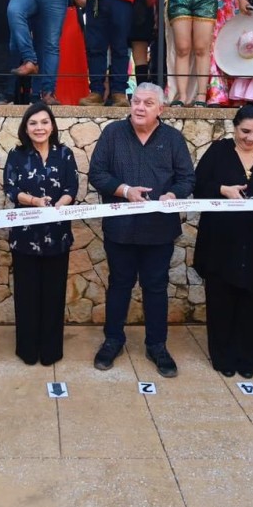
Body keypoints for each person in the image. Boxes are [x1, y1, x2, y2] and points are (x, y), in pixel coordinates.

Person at [88, 82, 195, 377]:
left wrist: (173, 195)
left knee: (156, 287)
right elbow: (97, 172)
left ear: (161, 109)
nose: (139, 107)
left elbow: (187, 178)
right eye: (136, 101)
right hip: (120, 228)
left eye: (148, 103)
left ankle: (157, 346)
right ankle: (113, 340)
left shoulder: (173, 139)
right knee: (119, 285)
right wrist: (124, 190)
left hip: (159, 229)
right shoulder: (112, 134)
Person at [192, 105, 253, 377]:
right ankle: (223, 358)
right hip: (221, 242)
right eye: (245, 131)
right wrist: (221, 190)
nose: (250, 137)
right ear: (234, 127)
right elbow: (196, 186)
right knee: (221, 302)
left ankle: (248, 360)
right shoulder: (218, 152)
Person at [3, 102, 78, 365]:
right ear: (26, 127)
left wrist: (60, 205)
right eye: (33, 123)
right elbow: (10, 189)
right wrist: (35, 202)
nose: (39, 127)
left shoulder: (65, 153)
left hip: (58, 235)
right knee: (27, 294)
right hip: (25, 237)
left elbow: (72, 186)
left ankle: (50, 351)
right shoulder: (16, 154)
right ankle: (27, 350)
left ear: (52, 125)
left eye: (44, 122)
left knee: (53, 294)